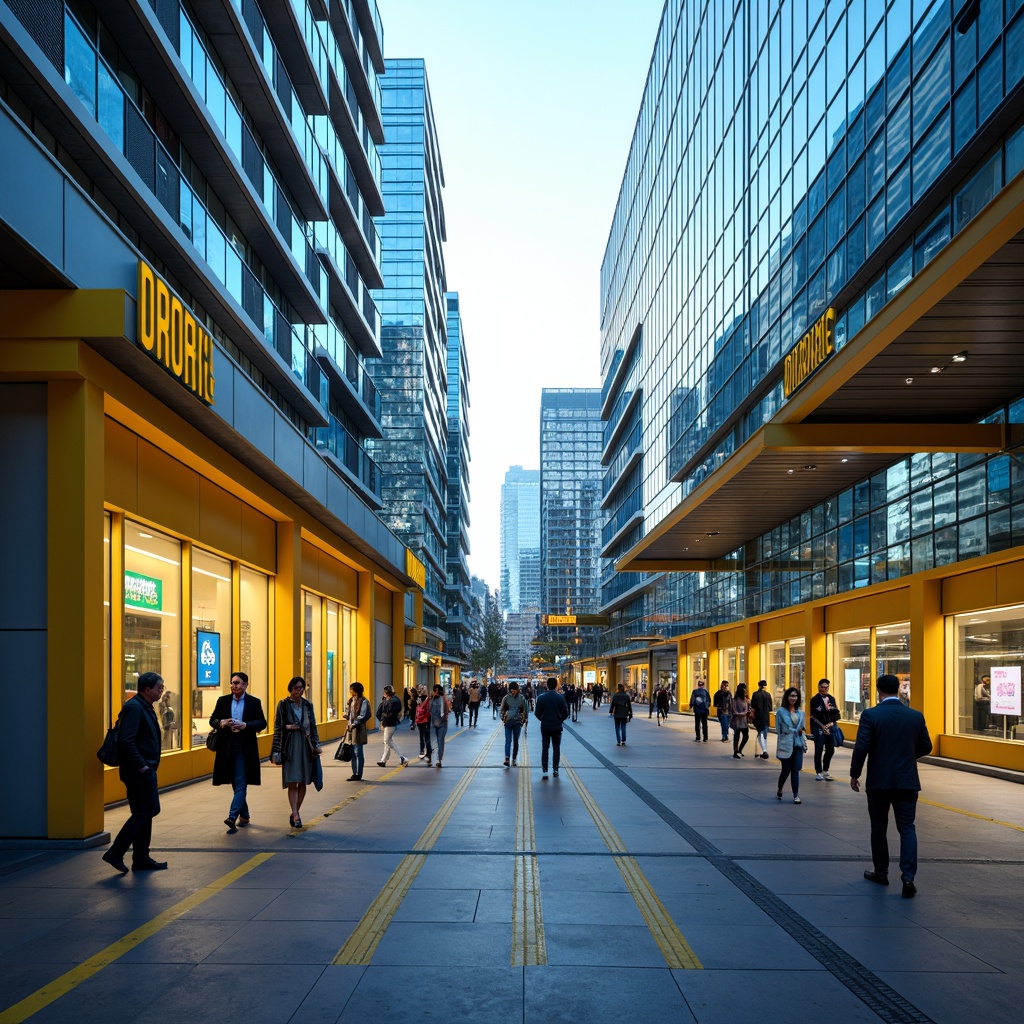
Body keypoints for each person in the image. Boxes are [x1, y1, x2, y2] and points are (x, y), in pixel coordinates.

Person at [850, 674, 933, 898]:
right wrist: (907, 756)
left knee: (879, 826)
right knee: (907, 828)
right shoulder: (915, 716)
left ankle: (881, 872)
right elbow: (927, 746)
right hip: (907, 781)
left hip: (879, 781)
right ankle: (908, 878)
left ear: (878, 690)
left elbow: (861, 747)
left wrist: (854, 773)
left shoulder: (871, 715)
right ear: (898, 689)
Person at [103, 672, 167, 873]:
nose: (161, 690)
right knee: (147, 810)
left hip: (143, 769)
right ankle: (116, 852)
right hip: (138, 771)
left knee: (143, 812)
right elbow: (126, 740)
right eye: (159, 687)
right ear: (146, 689)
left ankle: (141, 858)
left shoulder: (144, 706)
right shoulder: (134, 707)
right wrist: (141, 765)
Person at [210, 670, 265, 832]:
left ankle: (232, 816)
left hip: (244, 748)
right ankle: (245, 815)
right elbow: (212, 719)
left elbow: (262, 723)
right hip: (226, 748)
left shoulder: (254, 702)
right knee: (235, 782)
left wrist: (246, 725)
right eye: (232, 683)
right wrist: (222, 723)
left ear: (245, 685)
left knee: (241, 782)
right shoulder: (223, 701)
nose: (233, 686)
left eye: (237, 683)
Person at [272, 676, 321, 828]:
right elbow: (277, 726)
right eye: (296, 688)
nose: (299, 691)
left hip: (306, 745)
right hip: (290, 746)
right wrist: (277, 748)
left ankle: (296, 811)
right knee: (293, 780)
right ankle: (295, 813)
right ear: (291, 689)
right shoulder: (283, 704)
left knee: (304, 781)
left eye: (301, 688)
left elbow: (313, 725)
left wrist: (316, 743)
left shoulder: (307, 705)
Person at [775, 687, 806, 804]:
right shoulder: (781, 712)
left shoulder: (800, 713)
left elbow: (803, 727)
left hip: (798, 744)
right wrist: (789, 731)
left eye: (796, 696)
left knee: (795, 770)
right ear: (787, 697)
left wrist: (801, 730)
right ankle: (780, 788)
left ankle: (796, 795)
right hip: (786, 744)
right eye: (791, 696)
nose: (794, 698)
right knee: (786, 770)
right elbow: (778, 729)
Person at [535, 676, 569, 778]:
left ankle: (545, 768)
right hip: (557, 727)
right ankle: (555, 769)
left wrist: (543, 719)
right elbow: (565, 713)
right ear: (556, 685)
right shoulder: (560, 698)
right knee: (556, 748)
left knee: (545, 747)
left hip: (545, 726)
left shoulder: (541, 698)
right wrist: (559, 719)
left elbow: (537, 713)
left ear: (547, 686)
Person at [809, 678, 840, 780]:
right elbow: (813, 716)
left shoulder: (831, 699)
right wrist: (819, 728)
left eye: (826, 687)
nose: (824, 689)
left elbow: (836, 714)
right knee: (818, 750)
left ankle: (825, 770)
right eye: (822, 687)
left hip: (830, 727)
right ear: (819, 687)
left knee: (830, 749)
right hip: (819, 727)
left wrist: (831, 723)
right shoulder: (814, 700)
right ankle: (818, 772)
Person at [375, 684, 408, 768]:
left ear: (386, 693)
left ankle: (402, 758)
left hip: (389, 723)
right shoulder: (394, 700)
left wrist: (382, 718)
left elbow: (385, 712)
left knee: (387, 741)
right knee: (387, 742)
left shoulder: (390, 701)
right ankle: (383, 760)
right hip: (389, 722)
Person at [344, 682, 371, 781]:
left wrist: (355, 722)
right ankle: (354, 773)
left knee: (358, 751)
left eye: (353, 691)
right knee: (352, 751)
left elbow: (364, 715)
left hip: (358, 728)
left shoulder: (364, 701)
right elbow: (349, 714)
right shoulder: (350, 700)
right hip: (351, 728)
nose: (351, 693)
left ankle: (359, 774)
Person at [500, 681, 528, 767]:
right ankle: (507, 759)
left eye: (514, 690)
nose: (513, 692)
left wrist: (523, 721)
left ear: (517, 689)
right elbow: (502, 710)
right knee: (508, 741)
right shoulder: (506, 698)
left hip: (517, 722)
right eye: (511, 690)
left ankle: (514, 759)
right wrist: (504, 719)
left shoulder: (522, 698)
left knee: (516, 741)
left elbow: (525, 711)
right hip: (508, 722)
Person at [428, 683, 451, 768]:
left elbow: (448, 710)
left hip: (442, 723)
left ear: (436, 691)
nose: (432, 692)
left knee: (440, 741)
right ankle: (436, 758)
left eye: (433, 691)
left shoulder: (443, 700)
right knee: (435, 742)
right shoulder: (432, 700)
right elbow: (428, 709)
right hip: (434, 723)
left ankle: (438, 760)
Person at [750, 679, 773, 759]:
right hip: (766, 717)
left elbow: (752, 706)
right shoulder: (768, 695)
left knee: (760, 732)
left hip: (758, 716)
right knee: (765, 734)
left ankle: (763, 750)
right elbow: (770, 708)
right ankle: (763, 750)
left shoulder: (755, 694)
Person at [730, 683, 750, 758]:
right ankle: (735, 751)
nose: (746, 691)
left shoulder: (746, 699)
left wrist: (743, 713)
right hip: (737, 721)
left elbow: (747, 709)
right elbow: (733, 709)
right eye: (744, 689)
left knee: (746, 736)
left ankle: (740, 749)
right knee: (736, 736)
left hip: (744, 721)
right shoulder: (734, 699)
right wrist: (740, 714)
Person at [415, 686, 433, 764]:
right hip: (424, 720)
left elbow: (418, 708)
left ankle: (423, 752)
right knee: (426, 738)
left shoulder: (421, 699)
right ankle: (426, 754)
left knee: (423, 738)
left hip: (421, 721)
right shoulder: (425, 699)